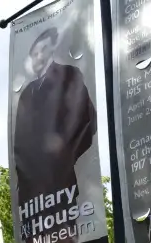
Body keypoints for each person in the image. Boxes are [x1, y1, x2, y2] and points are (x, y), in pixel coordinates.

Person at [12, 26, 97, 228]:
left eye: (42, 50)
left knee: (67, 240)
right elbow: (19, 142)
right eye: (34, 53)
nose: (38, 57)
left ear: (52, 49)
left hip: (61, 181)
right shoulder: (27, 93)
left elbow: (88, 119)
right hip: (32, 192)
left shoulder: (69, 75)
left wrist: (66, 156)